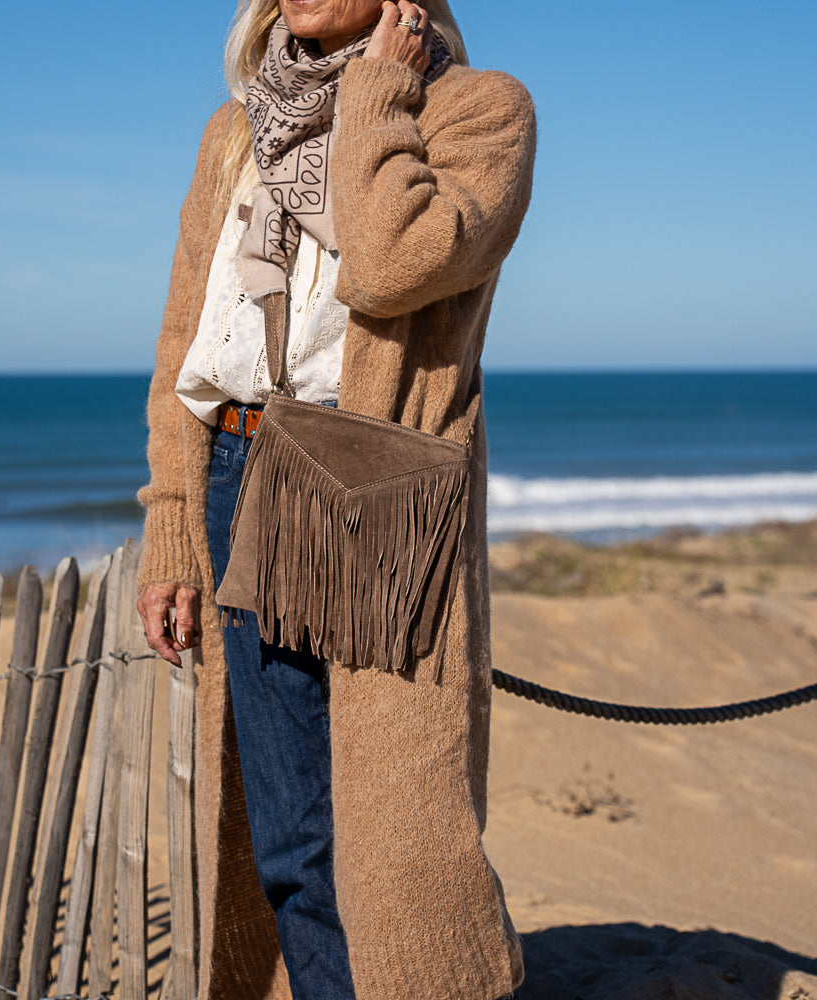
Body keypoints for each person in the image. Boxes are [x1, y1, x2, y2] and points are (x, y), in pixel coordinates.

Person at [136, 0, 535, 996]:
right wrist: (171, 523)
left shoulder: (477, 111)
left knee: (397, 829)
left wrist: (376, 94)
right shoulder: (235, 129)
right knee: (289, 827)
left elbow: (395, 261)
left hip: (371, 473)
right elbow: (187, 333)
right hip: (237, 457)